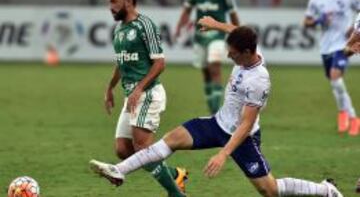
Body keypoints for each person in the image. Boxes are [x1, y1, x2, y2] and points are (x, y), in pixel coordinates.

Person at [90, 17, 343, 197]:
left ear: (246, 52)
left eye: (232, 53)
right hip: (217, 123)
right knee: (172, 139)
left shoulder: (259, 80)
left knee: (270, 190)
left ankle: (325, 190)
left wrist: (223, 153)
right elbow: (238, 29)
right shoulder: (250, 46)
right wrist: (216, 25)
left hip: (241, 138)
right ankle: (119, 170)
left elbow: (245, 125)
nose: (229, 56)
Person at [101, 0, 188, 196]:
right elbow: (122, 62)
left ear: (128, 1)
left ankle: (176, 194)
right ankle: (174, 174)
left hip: (148, 93)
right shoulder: (119, 29)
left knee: (142, 147)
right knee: (123, 149)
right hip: (130, 96)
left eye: (114, 1)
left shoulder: (145, 25)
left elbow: (159, 63)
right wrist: (110, 87)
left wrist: (139, 89)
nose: (110, 6)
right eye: (109, 1)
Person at [304, 0, 360, 136]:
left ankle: (352, 118)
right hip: (325, 46)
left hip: (343, 45)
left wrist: (355, 27)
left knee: (336, 79)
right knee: (335, 84)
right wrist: (318, 21)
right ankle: (345, 114)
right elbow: (306, 22)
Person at [175, 0, 240, 114]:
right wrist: (179, 28)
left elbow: (233, 13)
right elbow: (187, 10)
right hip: (200, 36)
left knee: (214, 68)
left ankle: (216, 111)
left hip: (218, 36)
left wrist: (239, 33)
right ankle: (212, 110)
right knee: (206, 72)